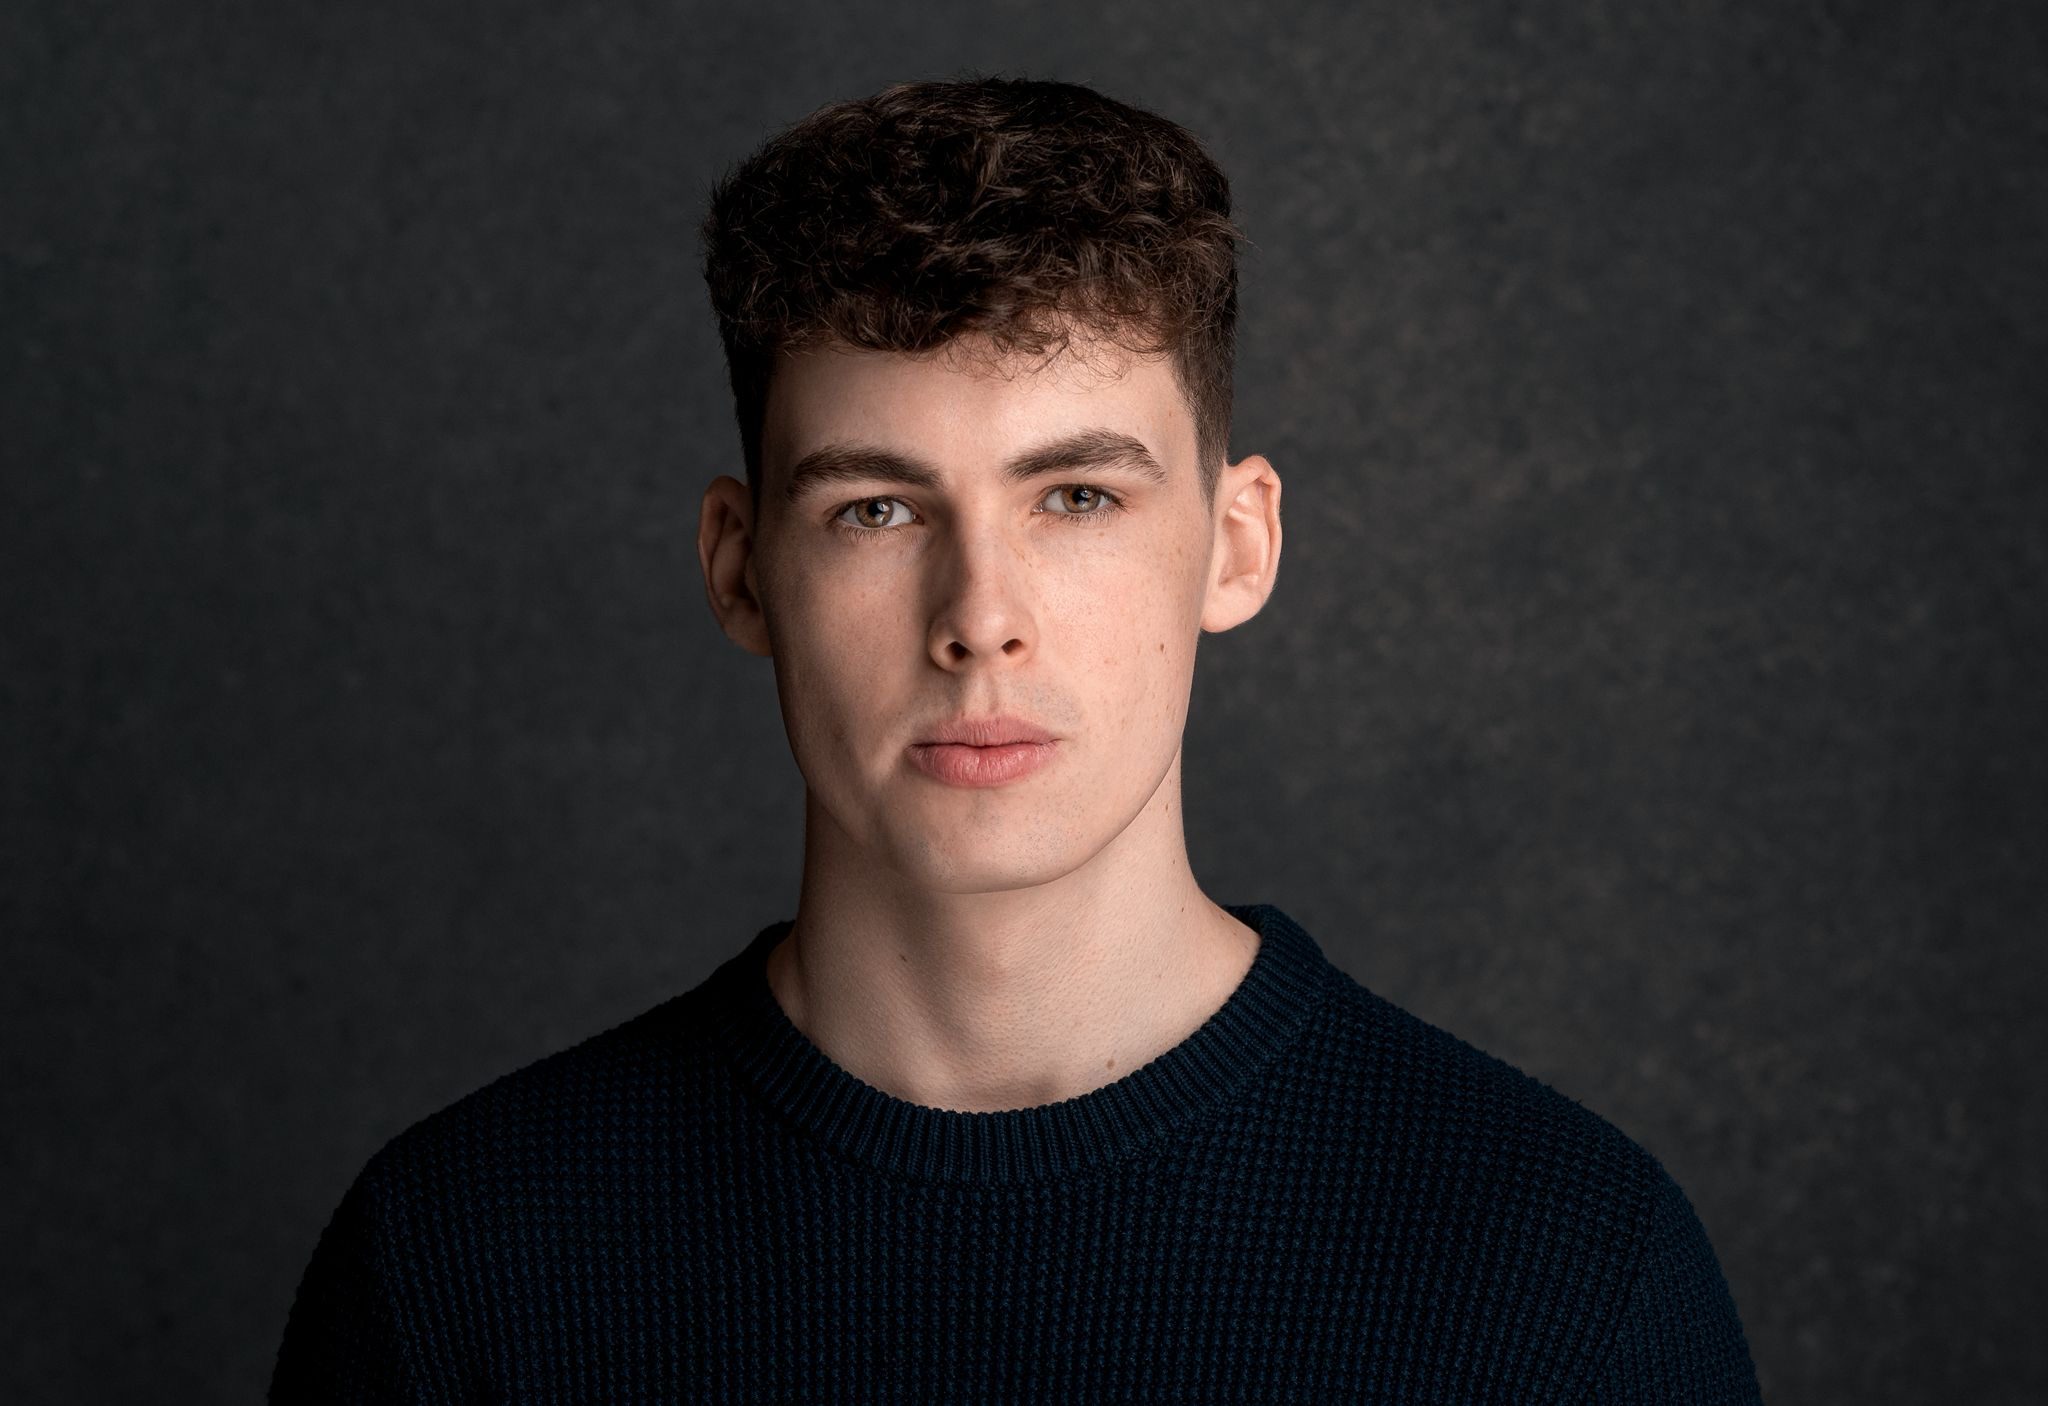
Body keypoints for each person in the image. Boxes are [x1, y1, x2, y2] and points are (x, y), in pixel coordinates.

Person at [271, 76, 1762, 1402]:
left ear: (1237, 545)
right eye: (877, 508)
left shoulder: (1566, 1274)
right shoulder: (457, 1269)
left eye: (1078, 497)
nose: (979, 617)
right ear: (740, 569)